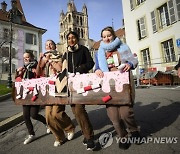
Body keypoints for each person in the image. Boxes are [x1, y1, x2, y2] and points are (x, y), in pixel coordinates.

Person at [95, 26, 141, 149]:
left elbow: (133, 60)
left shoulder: (123, 46)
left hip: (123, 83)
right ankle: (123, 136)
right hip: (108, 85)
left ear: (113, 35)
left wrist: (129, 64)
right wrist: (97, 70)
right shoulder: (99, 52)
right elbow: (97, 67)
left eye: (109, 35)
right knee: (113, 116)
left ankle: (134, 130)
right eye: (104, 37)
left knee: (126, 112)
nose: (107, 38)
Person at [36, 40, 75, 147]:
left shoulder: (60, 56)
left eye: (50, 44)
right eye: (46, 45)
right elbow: (38, 73)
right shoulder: (43, 58)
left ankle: (69, 128)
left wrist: (51, 61)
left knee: (56, 113)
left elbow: (60, 69)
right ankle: (59, 137)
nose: (48, 46)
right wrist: (41, 61)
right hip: (48, 88)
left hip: (59, 86)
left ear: (55, 46)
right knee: (48, 116)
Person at [61, 31, 95, 150]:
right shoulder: (66, 53)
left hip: (81, 83)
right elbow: (63, 68)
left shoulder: (83, 49)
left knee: (80, 109)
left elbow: (91, 63)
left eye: (73, 38)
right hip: (70, 85)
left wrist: (81, 68)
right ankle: (86, 134)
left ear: (77, 39)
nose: (71, 40)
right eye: (69, 38)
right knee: (75, 111)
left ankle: (90, 137)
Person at [15, 51, 50, 145]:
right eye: (24, 58)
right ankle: (31, 134)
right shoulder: (24, 68)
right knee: (26, 116)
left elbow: (43, 78)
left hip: (35, 94)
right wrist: (18, 73)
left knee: (34, 115)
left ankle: (47, 124)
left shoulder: (37, 66)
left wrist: (37, 73)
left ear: (32, 57)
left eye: (28, 57)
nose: (26, 59)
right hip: (25, 94)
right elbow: (18, 81)